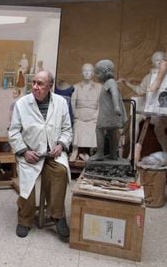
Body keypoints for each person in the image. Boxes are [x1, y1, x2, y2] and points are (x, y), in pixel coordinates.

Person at [8, 70, 72, 240]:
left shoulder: (61, 103)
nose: (35, 87)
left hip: (52, 153)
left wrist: (61, 145)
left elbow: (67, 129)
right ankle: (24, 220)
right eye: (34, 83)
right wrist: (24, 151)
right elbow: (13, 132)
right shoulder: (22, 103)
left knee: (60, 173)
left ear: (50, 86)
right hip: (30, 153)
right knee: (27, 181)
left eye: (40, 84)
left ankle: (57, 216)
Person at [118, 51, 167, 153]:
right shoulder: (149, 76)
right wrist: (127, 83)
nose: (160, 62)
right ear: (152, 63)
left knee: (159, 130)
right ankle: (132, 152)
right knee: (135, 118)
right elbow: (141, 90)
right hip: (150, 107)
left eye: (162, 60)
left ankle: (166, 153)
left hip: (165, 108)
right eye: (157, 60)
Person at [90, 60, 127, 161]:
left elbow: (115, 93)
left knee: (99, 130)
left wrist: (116, 106)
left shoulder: (110, 82)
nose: (96, 75)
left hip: (108, 113)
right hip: (109, 113)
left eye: (98, 73)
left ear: (105, 73)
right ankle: (113, 154)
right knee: (112, 132)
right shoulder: (109, 82)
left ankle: (100, 153)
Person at [69, 63, 102, 162]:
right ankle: (75, 151)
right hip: (79, 116)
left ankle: (91, 153)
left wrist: (97, 116)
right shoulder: (76, 87)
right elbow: (72, 104)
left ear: (93, 73)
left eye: (90, 70)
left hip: (93, 117)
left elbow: (100, 104)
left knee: (94, 128)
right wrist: (76, 116)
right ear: (81, 73)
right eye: (84, 70)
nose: (87, 73)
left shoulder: (99, 87)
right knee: (77, 126)